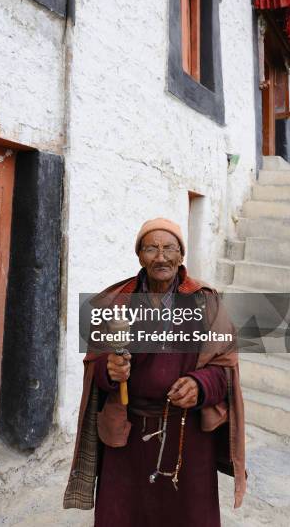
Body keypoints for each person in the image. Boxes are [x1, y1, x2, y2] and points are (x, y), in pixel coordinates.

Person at [64, 218, 246, 526]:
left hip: (188, 437)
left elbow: (225, 367)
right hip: (130, 434)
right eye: (151, 248)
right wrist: (110, 369)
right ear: (139, 256)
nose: (160, 257)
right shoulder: (116, 301)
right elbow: (95, 367)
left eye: (169, 248)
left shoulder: (206, 302)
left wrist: (199, 385)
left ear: (181, 255)